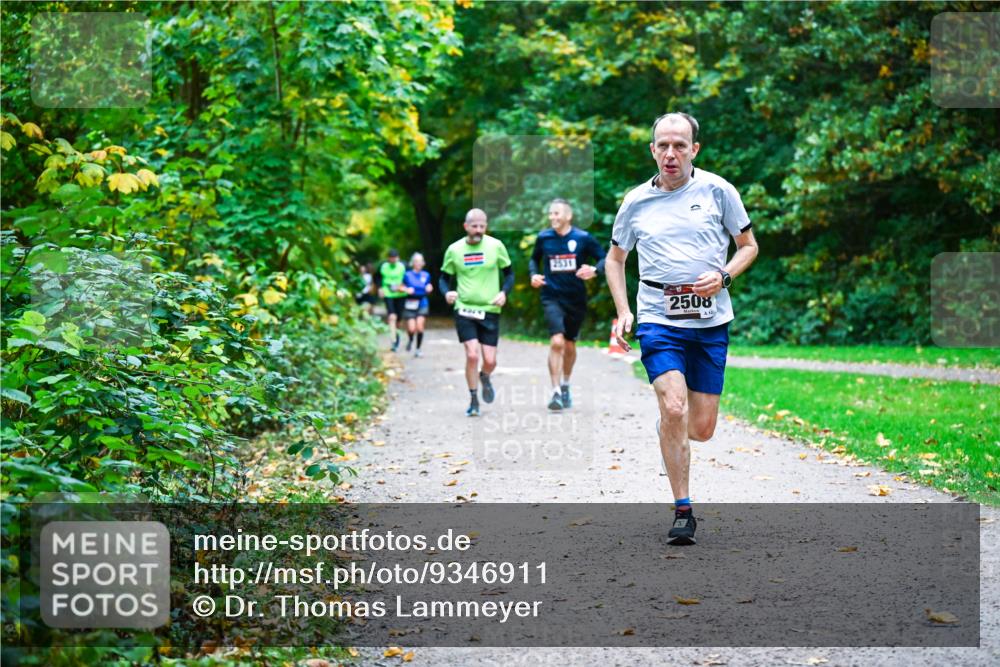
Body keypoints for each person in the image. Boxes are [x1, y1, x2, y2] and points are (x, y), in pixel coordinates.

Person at [605, 112, 758, 545]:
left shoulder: (719, 191)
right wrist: (623, 310)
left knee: (701, 426)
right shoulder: (635, 201)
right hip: (658, 316)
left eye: (679, 145)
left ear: (695, 149)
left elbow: (749, 246)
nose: (670, 153)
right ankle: (683, 510)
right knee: (674, 406)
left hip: (710, 321)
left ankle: (670, 429)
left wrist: (725, 276)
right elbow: (615, 260)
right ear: (652, 150)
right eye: (663, 145)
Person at [529, 198, 606, 411]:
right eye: (551, 213)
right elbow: (533, 260)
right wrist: (534, 275)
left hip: (576, 299)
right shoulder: (544, 238)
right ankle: (554, 392)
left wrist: (594, 270)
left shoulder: (583, 238)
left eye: (557, 213)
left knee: (570, 345)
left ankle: (565, 385)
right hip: (551, 296)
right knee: (557, 342)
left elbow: (604, 258)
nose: (552, 217)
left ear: (568, 216)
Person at [439, 209, 513, 417]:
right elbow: (443, 279)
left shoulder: (496, 246)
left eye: (482, 226)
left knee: (490, 361)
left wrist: (503, 292)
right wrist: (447, 293)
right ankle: (473, 399)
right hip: (464, 308)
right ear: (466, 226)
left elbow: (509, 275)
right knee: (472, 355)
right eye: (474, 226)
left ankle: (485, 376)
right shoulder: (454, 250)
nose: (478, 230)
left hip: (490, 309)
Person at [402, 252, 433, 357]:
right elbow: (399, 287)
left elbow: (429, 285)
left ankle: (418, 349)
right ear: (413, 263)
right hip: (410, 303)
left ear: (423, 263)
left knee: (419, 327)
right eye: (416, 261)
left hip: (422, 302)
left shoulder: (426, 275)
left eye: (420, 261)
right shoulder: (407, 275)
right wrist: (406, 289)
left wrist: (429, 287)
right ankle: (410, 339)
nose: (418, 263)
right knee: (411, 328)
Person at [375, 249, 407, 351]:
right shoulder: (383, 266)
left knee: (398, 319)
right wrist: (380, 288)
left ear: (398, 258)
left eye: (395, 258)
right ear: (388, 258)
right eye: (391, 258)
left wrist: (406, 287)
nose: (393, 260)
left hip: (401, 294)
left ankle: (397, 337)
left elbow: (409, 278)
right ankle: (393, 341)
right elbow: (377, 277)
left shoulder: (403, 266)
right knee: (392, 316)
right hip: (388, 294)